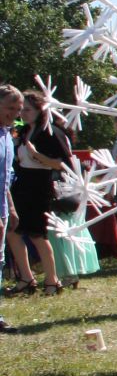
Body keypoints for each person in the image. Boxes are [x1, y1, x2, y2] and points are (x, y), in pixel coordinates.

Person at [8, 90, 73, 294]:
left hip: (40, 185)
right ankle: (26, 278)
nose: (22, 114)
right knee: (13, 231)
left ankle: (52, 281)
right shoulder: (24, 130)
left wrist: (37, 155)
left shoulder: (50, 132)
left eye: (27, 110)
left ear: (40, 110)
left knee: (38, 235)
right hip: (21, 184)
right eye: (20, 110)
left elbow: (64, 164)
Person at [0, 86, 19, 332]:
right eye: (9, 108)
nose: (14, 113)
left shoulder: (7, 136)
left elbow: (5, 179)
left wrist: (10, 208)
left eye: (17, 109)